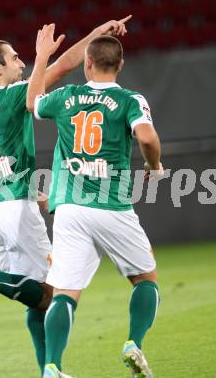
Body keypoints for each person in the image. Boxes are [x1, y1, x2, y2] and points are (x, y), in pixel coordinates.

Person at [0, 17, 132, 376]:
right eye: (14, 58)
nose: (22, 62)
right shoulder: (12, 95)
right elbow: (63, 66)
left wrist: (34, 191)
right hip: (13, 208)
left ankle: (49, 371)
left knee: (34, 296)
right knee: (53, 293)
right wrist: (94, 36)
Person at [26, 25, 164, 378]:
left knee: (64, 293)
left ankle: (52, 367)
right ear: (119, 65)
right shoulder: (130, 100)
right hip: (112, 206)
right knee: (145, 279)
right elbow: (146, 137)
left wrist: (42, 55)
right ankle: (133, 343)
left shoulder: (66, 96)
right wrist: (154, 164)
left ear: (87, 63)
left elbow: (32, 102)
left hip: (70, 208)